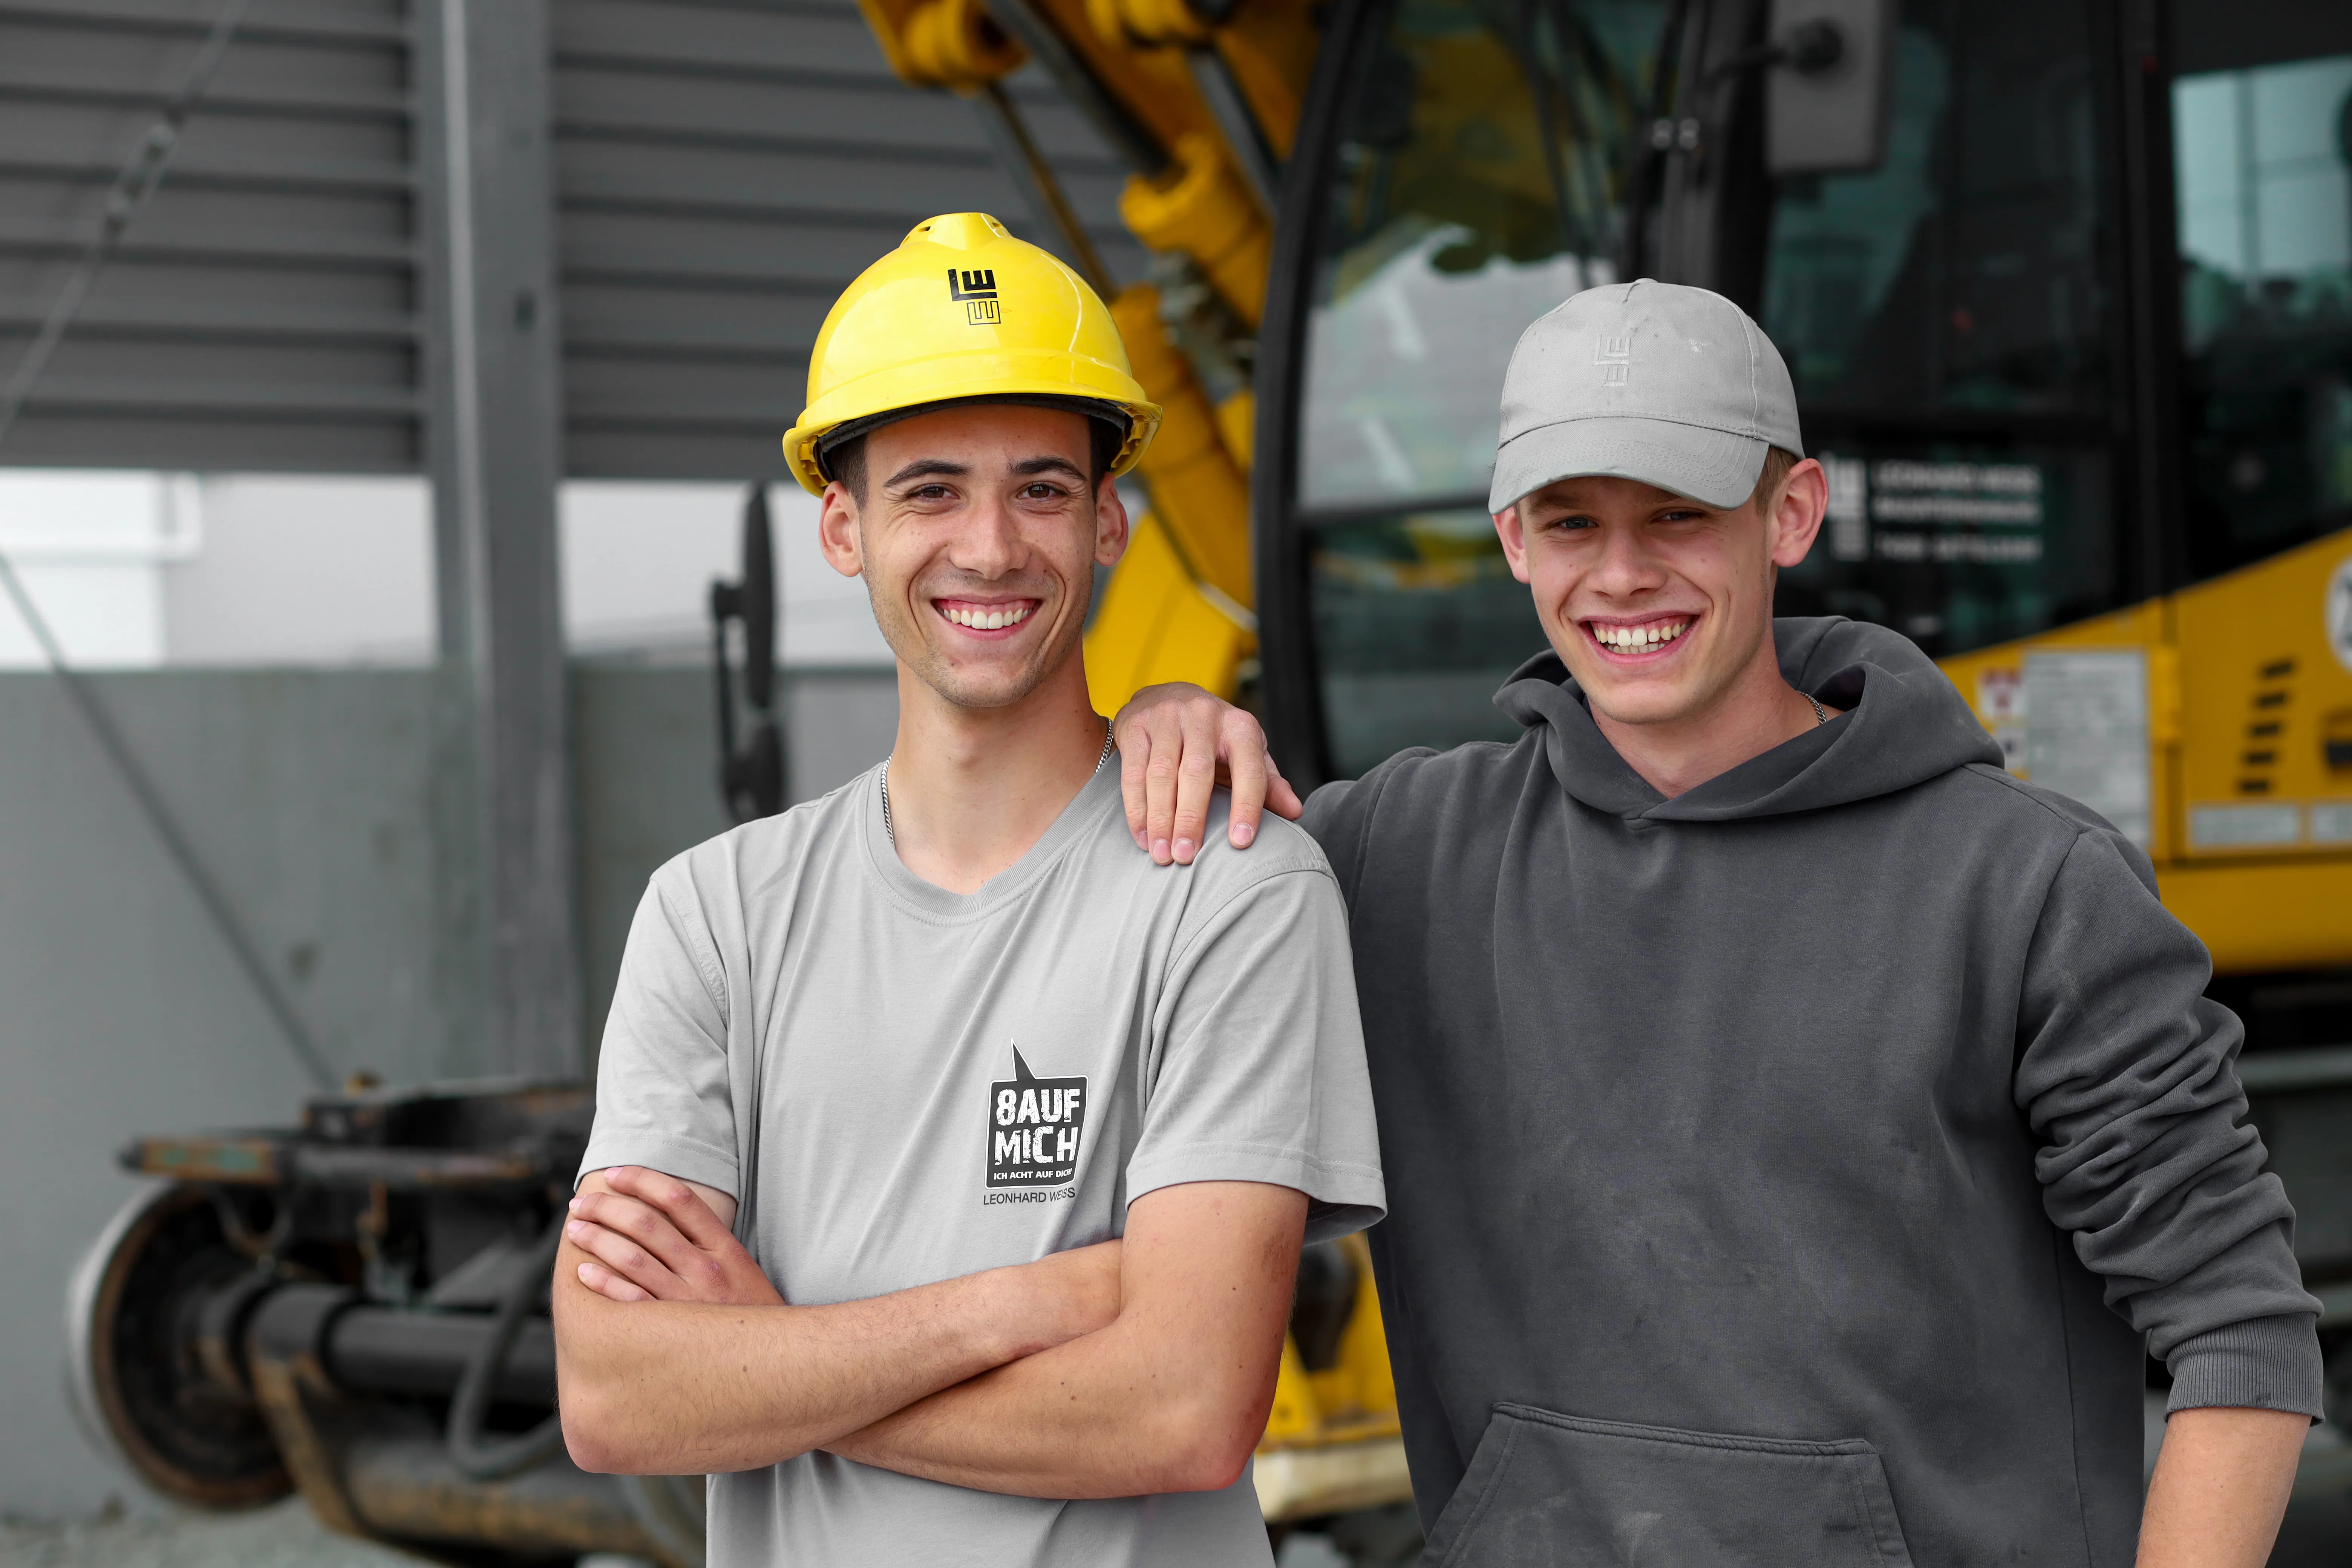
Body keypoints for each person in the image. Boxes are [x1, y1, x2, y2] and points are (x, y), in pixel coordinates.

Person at [1112, 280, 2320, 1565]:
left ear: (1789, 511)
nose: (1624, 574)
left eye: (1678, 515)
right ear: (1514, 538)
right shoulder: (1383, 858)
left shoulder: (2027, 887)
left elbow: (2241, 1336)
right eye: (1574, 522)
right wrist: (1159, 720)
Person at [551, 213, 1384, 1568]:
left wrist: (764, 1369)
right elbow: (614, 1395)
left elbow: (1182, 1413)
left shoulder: (1234, 893)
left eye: (1042, 490)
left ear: (1111, 521)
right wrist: (1011, 1308)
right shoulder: (715, 914)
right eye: (930, 489)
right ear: (843, 526)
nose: (990, 548)